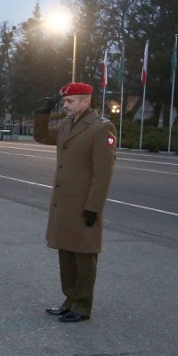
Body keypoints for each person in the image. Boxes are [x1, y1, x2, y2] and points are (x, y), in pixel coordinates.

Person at [33, 82, 117, 323]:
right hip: (65, 202)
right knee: (67, 253)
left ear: (85, 101)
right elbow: (42, 136)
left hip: (84, 204)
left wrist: (94, 207)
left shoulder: (101, 128)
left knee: (84, 256)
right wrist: (43, 113)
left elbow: (104, 172)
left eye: (70, 102)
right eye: (64, 102)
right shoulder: (68, 124)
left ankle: (82, 306)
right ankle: (69, 300)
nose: (66, 106)